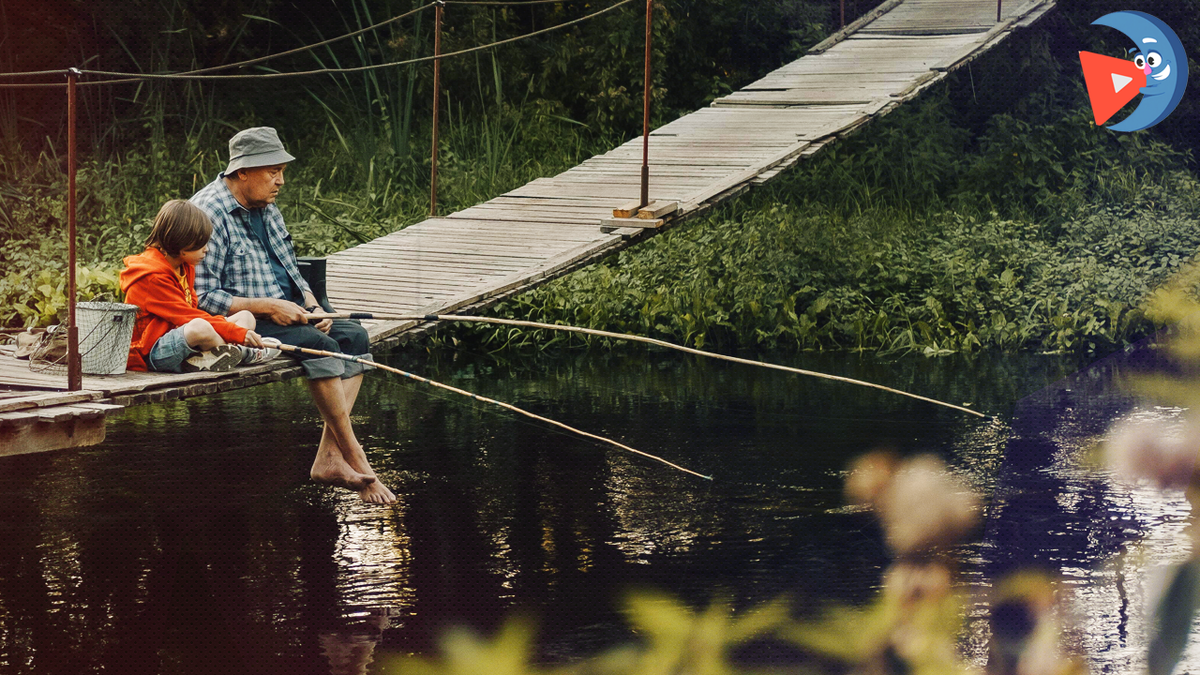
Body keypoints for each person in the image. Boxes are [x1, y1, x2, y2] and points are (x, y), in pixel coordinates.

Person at [191, 126, 396, 505]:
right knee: (322, 346)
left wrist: (313, 305)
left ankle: (327, 458)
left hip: (290, 312)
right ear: (241, 172)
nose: (280, 181)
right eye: (273, 172)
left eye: (282, 171)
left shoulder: (267, 207)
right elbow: (201, 297)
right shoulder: (207, 213)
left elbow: (292, 269)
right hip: (247, 319)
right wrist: (268, 306)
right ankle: (355, 455)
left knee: (354, 337)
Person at [121, 199, 280, 374]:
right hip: (153, 352)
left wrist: (233, 330)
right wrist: (236, 334)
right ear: (180, 243)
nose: (207, 250)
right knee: (200, 327)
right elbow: (187, 316)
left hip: (182, 339)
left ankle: (219, 355)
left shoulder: (184, 265)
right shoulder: (152, 277)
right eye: (200, 244)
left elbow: (191, 308)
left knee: (245, 317)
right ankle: (243, 354)